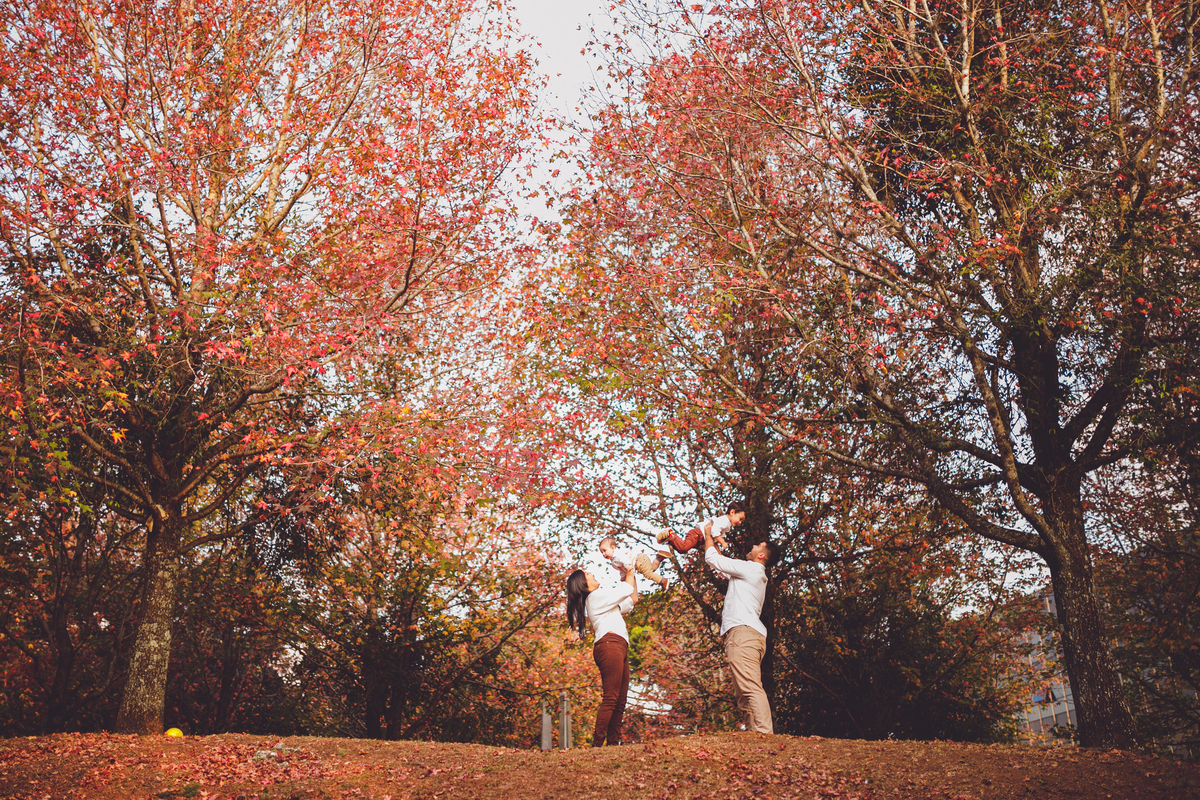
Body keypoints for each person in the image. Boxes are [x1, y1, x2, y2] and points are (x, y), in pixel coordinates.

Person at [703, 521, 780, 734]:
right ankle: (755, 736)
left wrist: (708, 533)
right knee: (743, 692)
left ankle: (764, 734)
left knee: (750, 687)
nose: (753, 546)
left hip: (743, 634)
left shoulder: (750, 569)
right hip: (745, 634)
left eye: (757, 546)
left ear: (761, 555)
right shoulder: (749, 573)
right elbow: (717, 563)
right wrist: (711, 540)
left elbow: (712, 558)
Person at [565, 565, 639, 746]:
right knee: (611, 697)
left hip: (618, 645)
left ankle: (613, 744)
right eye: (588, 574)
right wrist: (628, 569)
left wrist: (632, 573)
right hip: (610, 645)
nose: (592, 574)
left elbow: (632, 598)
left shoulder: (602, 602)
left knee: (620, 700)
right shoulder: (595, 597)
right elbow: (626, 589)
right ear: (583, 583)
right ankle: (597, 745)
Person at [656, 501, 746, 555]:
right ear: (732, 512)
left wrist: (719, 555)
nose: (740, 522)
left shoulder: (726, 525)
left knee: (682, 550)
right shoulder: (724, 521)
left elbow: (714, 540)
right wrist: (722, 542)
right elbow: (714, 532)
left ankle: (669, 538)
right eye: (740, 519)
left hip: (699, 537)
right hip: (697, 535)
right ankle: (671, 534)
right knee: (683, 548)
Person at [599, 535, 670, 590]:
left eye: (605, 550)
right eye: (601, 552)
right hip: (640, 560)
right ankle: (658, 558)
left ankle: (663, 581)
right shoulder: (613, 561)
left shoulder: (617, 555)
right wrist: (623, 577)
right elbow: (622, 569)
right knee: (651, 569)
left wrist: (628, 565)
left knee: (648, 575)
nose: (603, 554)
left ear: (613, 548)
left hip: (639, 561)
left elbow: (625, 559)